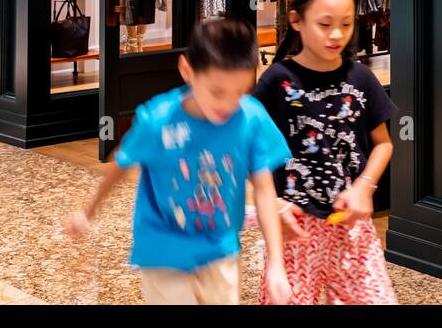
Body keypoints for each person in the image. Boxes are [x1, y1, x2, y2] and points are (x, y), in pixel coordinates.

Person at [67, 16, 292, 305]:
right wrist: (88, 212)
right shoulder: (159, 119)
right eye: (217, 92)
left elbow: (263, 188)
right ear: (187, 70)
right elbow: (121, 164)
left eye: (240, 92)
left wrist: (276, 263)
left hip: (221, 249)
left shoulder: (250, 116)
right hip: (164, 250)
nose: (227, 105)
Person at [251, 0, 398, 304]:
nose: (336, 35)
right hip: (294, 226)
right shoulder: (277, 80)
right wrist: (273, 205)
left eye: (346, 24)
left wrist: (365, 186)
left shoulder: (360, 77)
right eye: (325, 24)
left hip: (351, 225)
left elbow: (384, 144)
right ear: (297, 21)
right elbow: (246, 149)